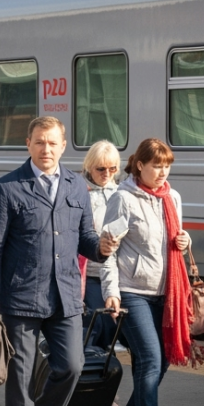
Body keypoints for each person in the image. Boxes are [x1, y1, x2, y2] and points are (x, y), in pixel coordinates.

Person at [0, 116, 117, 406]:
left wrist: (101, 248)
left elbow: (86, 239)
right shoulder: (8, 188)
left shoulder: (75, 187)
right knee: (20, 376)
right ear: (28, 144)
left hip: (66, 294)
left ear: (63, 146)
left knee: (72, 366)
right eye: (39, 142)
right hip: (21, 296)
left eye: (53, 143)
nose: (46, 149)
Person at [102, 138, 194, 406]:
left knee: (158, 360)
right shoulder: (122, 199)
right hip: (132, 292)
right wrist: (111, 292)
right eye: (156, 165)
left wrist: (184, 239)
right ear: (139, 165)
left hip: (165, 292)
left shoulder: (173, 197)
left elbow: (171, 239)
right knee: (151, 358)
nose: (162, 172)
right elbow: (108, 252)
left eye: (167, 165)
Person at [81, 141, 122, 367]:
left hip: (117, 273)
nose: (106, 174)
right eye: (100, 169)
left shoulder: (121, 192)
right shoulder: (81, 192)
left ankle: (104, 378)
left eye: (112, 169)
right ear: (89, 166)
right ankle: (97, 377)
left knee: (109, 328)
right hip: (89, 271)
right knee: (95, 325)